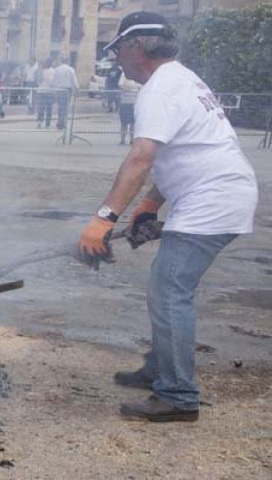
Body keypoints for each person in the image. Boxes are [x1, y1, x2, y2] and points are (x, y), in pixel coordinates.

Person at [78, 12, 257, 422]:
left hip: (211, 203)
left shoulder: (159, 91)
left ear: (136, 47)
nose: (117, 59)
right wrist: (150, 204)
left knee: (169, 290)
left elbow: (141, 157)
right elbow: (186, 149)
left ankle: (177, 394)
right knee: (168, 288)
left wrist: (103, 219)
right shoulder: (182, 78)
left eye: (117, 49)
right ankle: (161, 369)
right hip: (217, 194)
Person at [48, 55, 78, 130]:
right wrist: (76, 88)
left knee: (60, 107)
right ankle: (62, 123)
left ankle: (60, 122)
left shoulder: (57, 69)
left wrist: (54, 88)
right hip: (67, 90)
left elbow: (53, 82)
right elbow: (74, 81)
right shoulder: (71, 69)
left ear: (61, 61)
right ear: (67, 61)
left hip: (59, 90)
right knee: (65, 107)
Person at [118, 72, 139, 144]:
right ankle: (122, 140)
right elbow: (120, 84)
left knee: (133, 123)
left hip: (134, 103)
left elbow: (141, 86)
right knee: (124, 123)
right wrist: (128, 89)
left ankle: (132, 140)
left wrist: (129, 88)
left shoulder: (138, 74)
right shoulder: (124, 74)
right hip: (124, 102)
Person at [36, 58, 55, 128]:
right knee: (48, 108)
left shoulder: (41, 70)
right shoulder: (53, 71)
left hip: (41, 91)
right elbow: (52, 82)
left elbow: (37, 80)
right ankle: (47, 122)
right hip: (49, 92)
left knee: (41, 107)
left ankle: (40, 122)